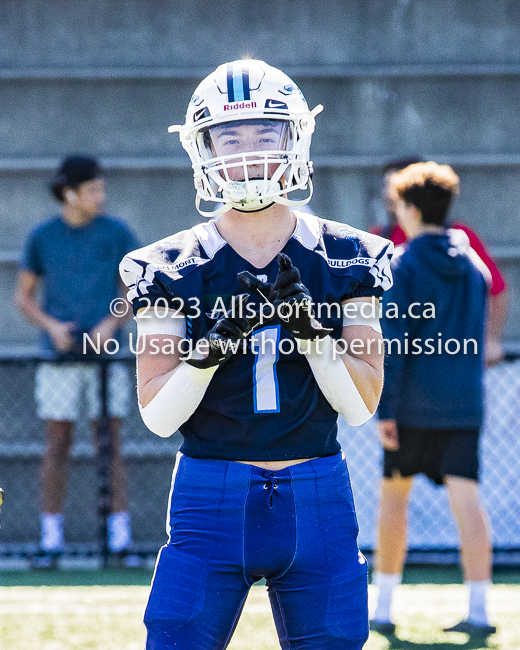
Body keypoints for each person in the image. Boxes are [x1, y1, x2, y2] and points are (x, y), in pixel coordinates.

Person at [119, 59, 394, 649]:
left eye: (265, 136)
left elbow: (361, 406)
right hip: (209, 492)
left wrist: (315, 339)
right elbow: (159, 417)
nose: (247, 154)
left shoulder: (351, 253)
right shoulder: (167, 265)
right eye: (230, 138)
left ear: (295, 140)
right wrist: (206, 355)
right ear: (204, 149)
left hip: (317, 488)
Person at [371, 162, 496, 636]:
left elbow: (394, 342)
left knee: (393, 501)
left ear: (411, 207)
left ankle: (382, 607)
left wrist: (386, 408)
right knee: (468, 500)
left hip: (412, 407)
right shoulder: (474, 267)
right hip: (464, 403)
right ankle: (480, 610)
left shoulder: (402, 265)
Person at [15, 154, 139, 562]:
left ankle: (120, 541)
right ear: (69, 193)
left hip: (108, 358)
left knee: (112, 443)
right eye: (92, 189)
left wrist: (109, 326)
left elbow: (133, 293)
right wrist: (52, 327)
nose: (100, 196)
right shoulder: (42, 237)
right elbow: (24, 297)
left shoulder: (118, 234)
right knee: (57, 444)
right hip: (58, 358)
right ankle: (51, 540)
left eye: (101, 188)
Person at [371, 158, 509, 367]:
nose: (387, 195)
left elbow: (496, 290)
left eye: (393, 187)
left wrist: (490, 340)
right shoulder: (377, 239)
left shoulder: (464, 242)